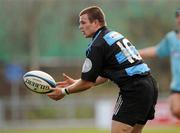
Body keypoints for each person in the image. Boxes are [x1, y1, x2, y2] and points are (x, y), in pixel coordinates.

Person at [47, 6, 158, 133]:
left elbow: (87, 83)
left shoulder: (97, 45)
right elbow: (104, 77)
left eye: (83, 22)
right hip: (149, 85)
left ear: (95, 23)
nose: (80, 27)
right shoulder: (111, 35)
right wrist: (77, 82)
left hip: (134, 89)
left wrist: (63, 91)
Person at [139, 8, 180, 119]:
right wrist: (136, 52)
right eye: (177, 15)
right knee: (175, 109)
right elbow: (157, 51)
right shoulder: (171, 38)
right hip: (177, 85)